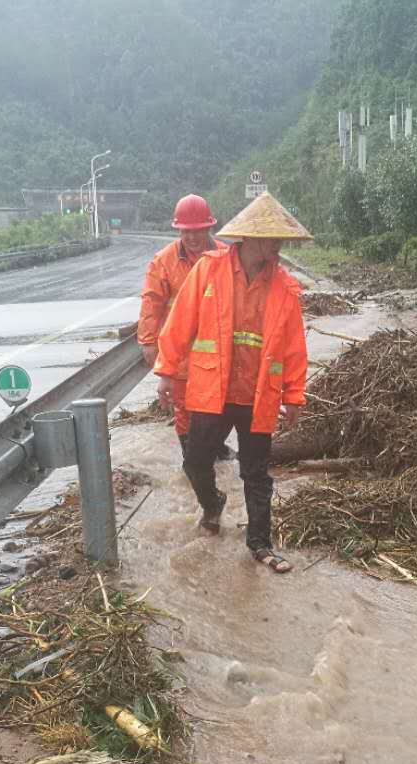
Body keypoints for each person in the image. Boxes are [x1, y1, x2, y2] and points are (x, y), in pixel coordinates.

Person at [153, 192, 311, 574]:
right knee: (195, 461)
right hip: (212, 390)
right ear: (252, 238)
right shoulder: (208, 271)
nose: (278, 247)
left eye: (281, 240)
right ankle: (212, 504)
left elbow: (293, 345)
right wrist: (167, 372)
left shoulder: (285, 288)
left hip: (258, 396)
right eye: (273, 239)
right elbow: (180, 323)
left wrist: (294, 396)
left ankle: (260, 544)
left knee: (256, 472)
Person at [137, 193, 230, 457]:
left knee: (217, 408)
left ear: (209, 227)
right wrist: (147, 341)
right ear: (179, 230)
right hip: (180, 353)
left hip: (217, 354)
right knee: (184, 408)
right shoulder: (163, 262)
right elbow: (151, 302)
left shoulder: (226, 257)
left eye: (197, 231)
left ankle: (213, 451)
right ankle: (192, 462)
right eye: (186, 232)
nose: (191, 238)